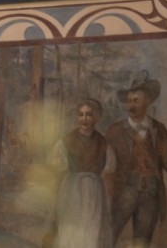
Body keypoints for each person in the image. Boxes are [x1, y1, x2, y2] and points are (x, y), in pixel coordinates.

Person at [105, 72, 167, 248]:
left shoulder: (159, 129)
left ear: (147, 102)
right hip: (124, 190)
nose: (130, 106)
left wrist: (166, 152)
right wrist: (109, 194)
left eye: (136, 101)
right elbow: (106, 168)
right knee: (108, 237)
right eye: (129, 101)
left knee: (142, 242)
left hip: (151, 193)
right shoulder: (115, 131)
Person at [48, 98, 113, 248]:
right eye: (81, 114)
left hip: (95, 192)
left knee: (92, 232)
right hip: (72, 191)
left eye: (89, 114)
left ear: (96, 117)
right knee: (71, 232)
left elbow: (109, 170)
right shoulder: (66, 141)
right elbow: (56, 169)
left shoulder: (103, 143)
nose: (84, 119)